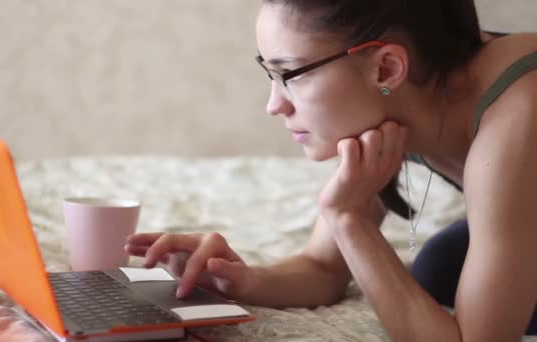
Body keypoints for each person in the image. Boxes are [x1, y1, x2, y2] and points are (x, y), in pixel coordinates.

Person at [124, 0, 537, 340]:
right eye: (271, 74)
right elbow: (324, 269)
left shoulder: (518, 114)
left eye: (290, 74)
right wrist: (235, 278)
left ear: (387, 68)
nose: (274, 105)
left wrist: (349, 218)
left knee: (437, 271)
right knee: (437, 267)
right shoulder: (400, 101)